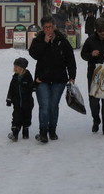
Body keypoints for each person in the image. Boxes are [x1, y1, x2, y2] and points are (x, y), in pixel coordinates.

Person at [28, 15, 76, 143]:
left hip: (59, 79)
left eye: (50, 27)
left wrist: (72, 77)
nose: (48, 29)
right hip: (42, 79)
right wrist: (44, 42)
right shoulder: (38, 40)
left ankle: (52, 129)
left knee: (53, 106)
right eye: (45, 27)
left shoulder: (62, 41)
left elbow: (70, 60)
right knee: (44, 106)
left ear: (54, 26)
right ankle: (43, 132)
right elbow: (34, 54)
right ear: (42, 28)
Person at [6, 57, 35, 141]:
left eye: (17, 67)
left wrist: (34, 86)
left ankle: (25, 131)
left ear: (22, 68)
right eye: (14, 66)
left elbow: (31, 87)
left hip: (27, 102)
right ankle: (15, 133)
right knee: (16, 117)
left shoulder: (28, 76)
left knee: (27, 117)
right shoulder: (14, 78)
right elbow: (11, 89)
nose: (14, 68)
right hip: (17, 102)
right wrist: (9, 99)